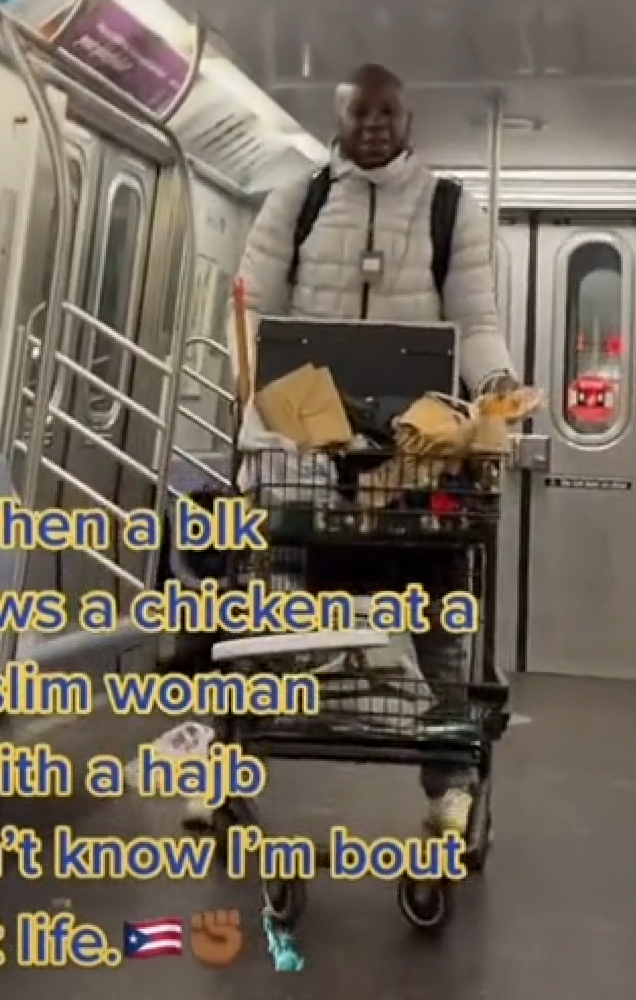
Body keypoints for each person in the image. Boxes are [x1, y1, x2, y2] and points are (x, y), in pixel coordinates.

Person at [220, 63, 519, 839]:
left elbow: (476, 317)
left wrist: (496, 386)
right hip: (308, 430)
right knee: (278, 561)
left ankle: (447, 781)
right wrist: (255, 395)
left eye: (389, 112)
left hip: (409, 436)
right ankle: (274, 713)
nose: (375, 125)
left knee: (444, 610)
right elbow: (252, 311)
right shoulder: (298, 200)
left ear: (409, 119)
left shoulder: (452, 211)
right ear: (339, 118)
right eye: (361, 112)